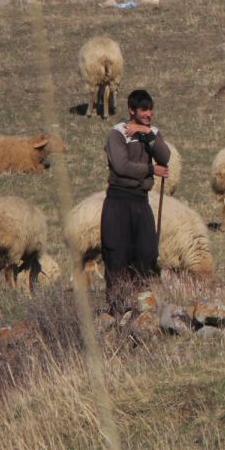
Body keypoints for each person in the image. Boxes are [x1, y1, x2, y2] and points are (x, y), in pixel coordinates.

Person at [101, 88, 170, 313]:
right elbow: (121, 167)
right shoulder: (117, 133)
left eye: (150, 109)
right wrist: (150, 169)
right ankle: (117, 308)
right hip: (119, 202)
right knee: (118, 254)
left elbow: (165, 156)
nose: (149, 113)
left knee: (147, 253)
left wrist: (146, 132)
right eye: (143, 110)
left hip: (141, 201)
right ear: (131, 110)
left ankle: (142, 308)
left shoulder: (151, 133)